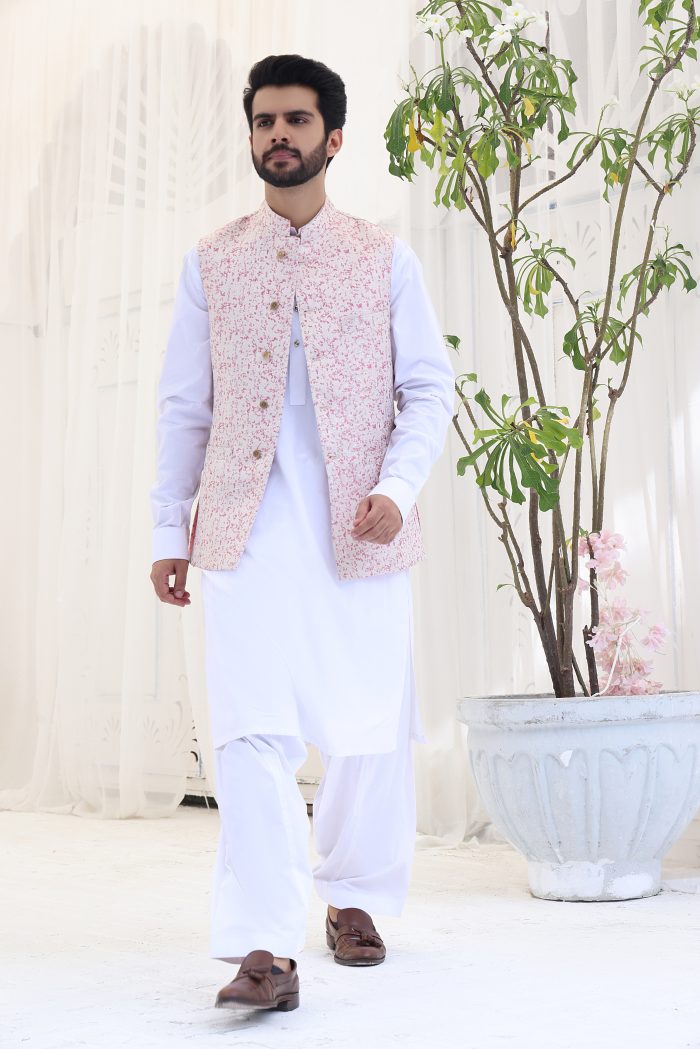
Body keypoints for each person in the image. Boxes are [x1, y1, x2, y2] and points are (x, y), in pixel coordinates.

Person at [149, 53, 455, 1013]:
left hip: (359, 523)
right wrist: (167, 528)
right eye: (264, 121)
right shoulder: (212, 261)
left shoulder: (383, 256)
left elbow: (428, 389)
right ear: (251, 135)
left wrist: (398, 488)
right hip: (243, 529)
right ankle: (265, 947)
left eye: (296, 120)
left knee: (368, 721)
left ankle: (352, 896)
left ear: (334, 137)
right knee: (248, 730)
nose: (278, 134)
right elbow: (183, 407)